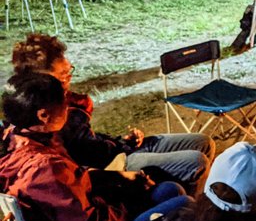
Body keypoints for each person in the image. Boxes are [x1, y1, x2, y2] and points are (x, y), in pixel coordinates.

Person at [0, 73, 191, 221]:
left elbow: (71, 181)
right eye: (63, 103)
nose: (68, 107)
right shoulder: (42, 166)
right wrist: (129, 202)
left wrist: (119, 179)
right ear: (44, 115)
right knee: (182, 206)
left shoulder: (17, 138)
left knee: (168, 190)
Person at [11, 33, 214, 192]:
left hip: (117, 150)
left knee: (203, 141)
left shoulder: (66, 100)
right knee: (195, 162)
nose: (69, 78)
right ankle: (182, 218)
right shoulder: (43, 114)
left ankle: (183, 201)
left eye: (69, 70)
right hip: (112, 166)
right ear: (40, 79)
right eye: (63, 74)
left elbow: (89, 141)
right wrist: (120, 147)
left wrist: (121, 140)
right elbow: (88, 156)